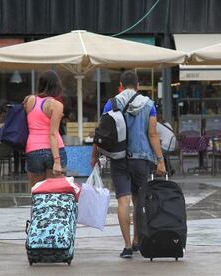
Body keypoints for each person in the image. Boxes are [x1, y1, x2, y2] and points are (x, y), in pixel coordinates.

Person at [91, 70, 166, 259]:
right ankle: (137, 241)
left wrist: (94, 155)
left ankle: (126, 247)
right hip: (141, 159)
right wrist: (160, 160)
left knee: (123, 201)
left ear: (121, 86)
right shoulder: (149, 105)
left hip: (118, 158)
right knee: (139, 200)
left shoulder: (112, 102)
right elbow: (153, 134)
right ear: (138, 85)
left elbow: (102, 131)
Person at [24, 70, 67, 186]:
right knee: (55, 192)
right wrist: (57, 161)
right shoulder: (56, 105)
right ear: (57, 85)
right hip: (54, 150)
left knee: (37, 192)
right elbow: (53, 134)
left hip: (33, 149)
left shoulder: (29, 101)